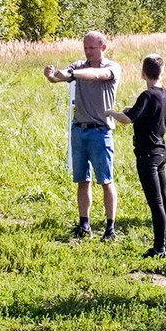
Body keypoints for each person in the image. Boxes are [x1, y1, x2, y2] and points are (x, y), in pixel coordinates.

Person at [45, 31, 122, 239]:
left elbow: (97, 75)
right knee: (82, 180)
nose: (88, 52)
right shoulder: (78, 66)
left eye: (92, 48)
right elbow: (60, 77)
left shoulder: (111, 67)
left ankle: (110, 227)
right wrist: (52, 75)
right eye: (85, 48)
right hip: (79, 130)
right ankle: (84, 224)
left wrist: (71, 74)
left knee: (106, 181)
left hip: (100, 131)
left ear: (103, 48)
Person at [117, 54, 166, 257]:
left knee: (156, 203)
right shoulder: (164, 94)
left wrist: (111, 113)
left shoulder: (147, 95)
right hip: (160, 150)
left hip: (147, 154)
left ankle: (159, 248)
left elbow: (127, 119)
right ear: (162, 71)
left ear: (143, 73)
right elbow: (144, 113)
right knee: (165, 200)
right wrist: (131, 111)